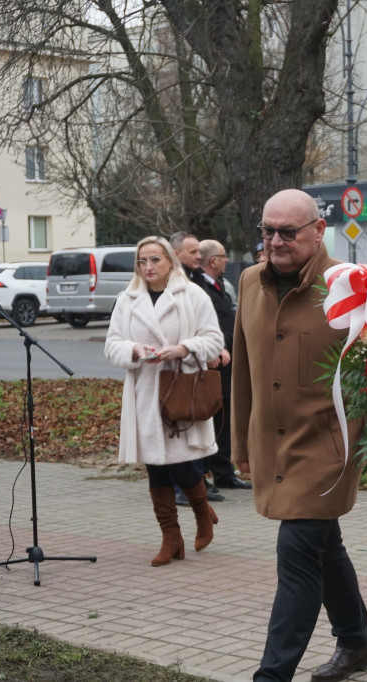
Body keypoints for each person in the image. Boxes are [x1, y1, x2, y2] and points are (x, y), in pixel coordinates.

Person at [231, 189, 367, 682]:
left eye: (287, 232)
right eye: (267, 230)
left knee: (296, 554)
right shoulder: (249, 281)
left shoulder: (348, 286)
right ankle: (355, 642)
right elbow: (243, 372)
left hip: (326, 449)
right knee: (322, 546)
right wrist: (239, 445)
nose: (275, 240)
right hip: (271, 444)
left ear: (318, 231)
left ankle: (271, 676)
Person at [104, 236, 225, 566]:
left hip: (181, 388)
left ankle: (202, 512)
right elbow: (112, 344)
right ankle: (171, 538)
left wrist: (184, 349)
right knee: (155, 465)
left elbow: (214, 339)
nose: (148, 267)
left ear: (171, 261)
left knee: (182, 462)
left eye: (155, 260)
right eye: (142, 261)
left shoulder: (192, 295)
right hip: (145, 391)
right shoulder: (127, 299)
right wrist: (135, 350)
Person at [168, 231, 225, 504]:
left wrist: (211, 347)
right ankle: (183, 487)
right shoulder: (167, 285)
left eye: (199, 252)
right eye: (192, 252)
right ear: (175, 254)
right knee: (181, 426)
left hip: (196, 364)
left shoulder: (195, 280)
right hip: (174, 370)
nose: (198, 256)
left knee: (199, 423)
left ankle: (199, 481)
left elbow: (205, 323)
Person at [195, 239, 250, 490]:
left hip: (227, 363)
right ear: (212, 260)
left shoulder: (218, 286)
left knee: (225, 420)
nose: (227, 260)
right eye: (223, 256)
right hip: (213, 363)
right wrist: (218, 346)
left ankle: (224, 473)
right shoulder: (199, 289)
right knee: (216, 420)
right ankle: (211, 471)